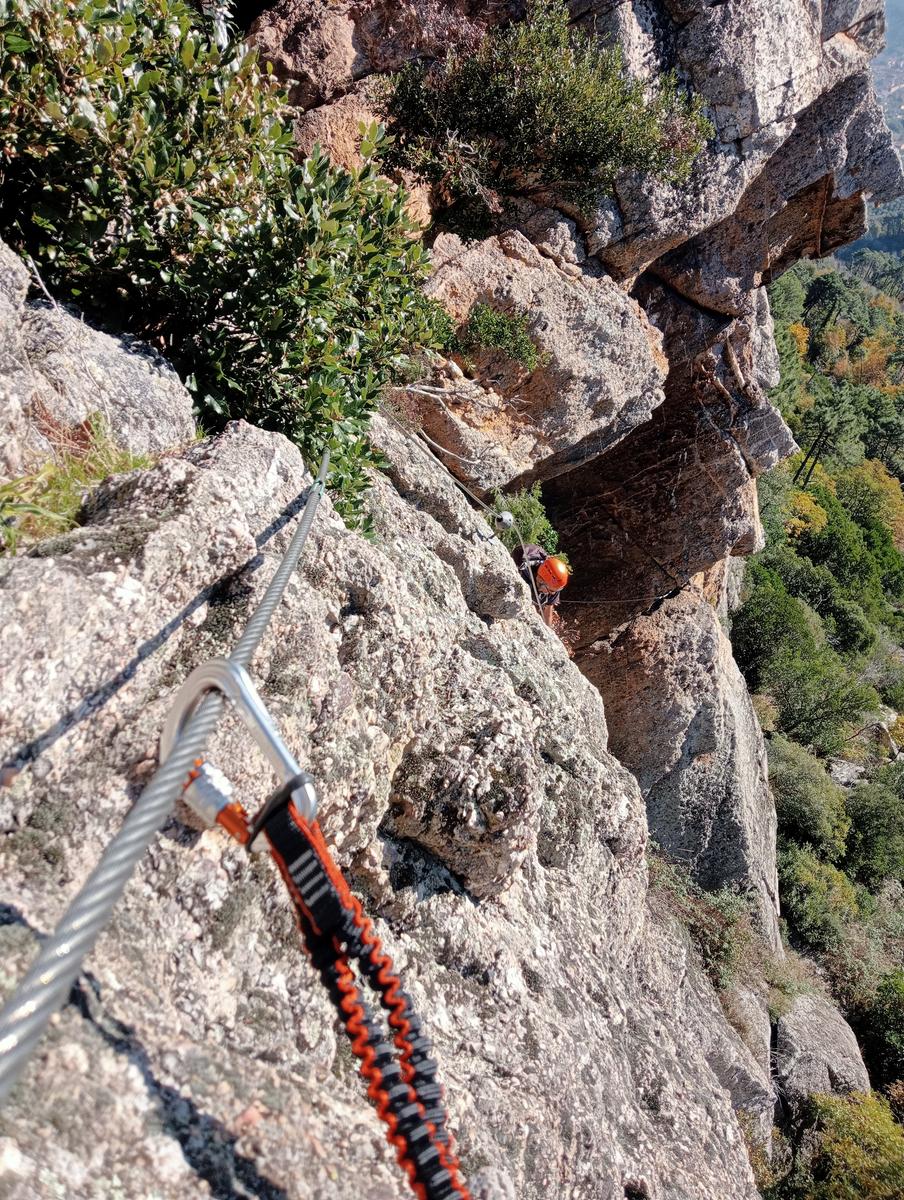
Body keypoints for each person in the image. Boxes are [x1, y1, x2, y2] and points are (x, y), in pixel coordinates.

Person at [512, 543, 570, 626]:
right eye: (550, 590)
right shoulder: (523, 568)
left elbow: (548, 612)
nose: (552, 593)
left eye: (555, 591)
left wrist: (549, 634)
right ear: (541, 580)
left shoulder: (554, 585)